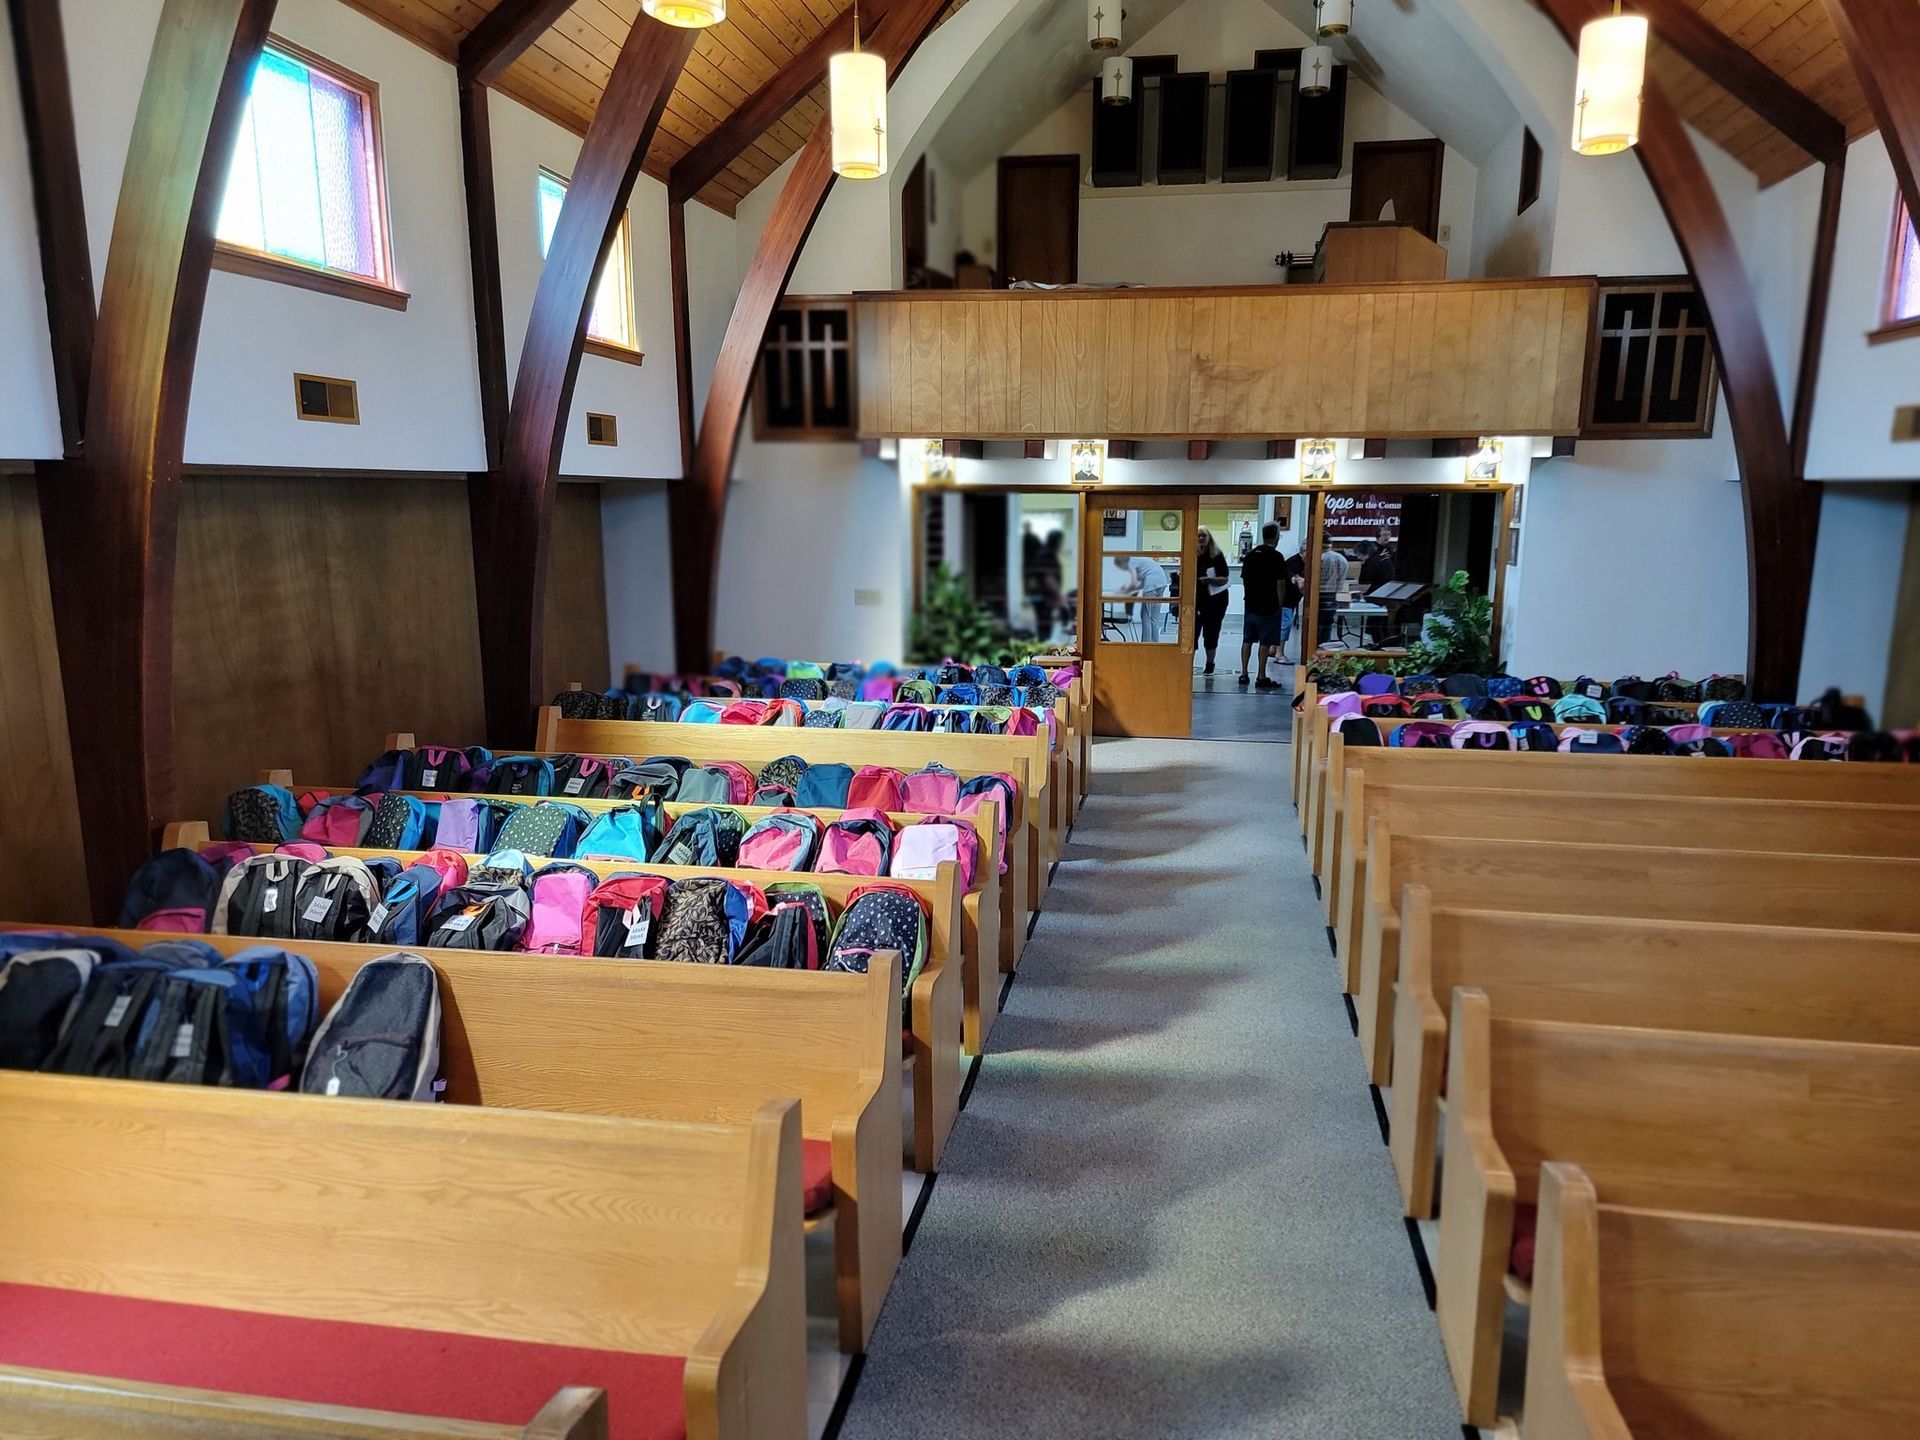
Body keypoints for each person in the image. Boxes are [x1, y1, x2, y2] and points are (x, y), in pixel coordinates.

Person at [1238, 522, 1286, 690]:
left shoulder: (1250, 556)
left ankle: (1243, 674)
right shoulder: (1277, 557)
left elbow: (1244, 579)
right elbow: (1280, 583)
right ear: (1277, 536)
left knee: (1247, 639)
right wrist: (1280, 604)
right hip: (1269, 605)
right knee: (1265, 642)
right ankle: (1261, 675)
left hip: (1250, 604)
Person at [1193, 527, 1231, 674]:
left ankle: (1210, 663)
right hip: (1196, 600)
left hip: (1216, 601)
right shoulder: (1192, 554)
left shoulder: (1217, 555)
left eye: (1204, 536)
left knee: (1211, 633)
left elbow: (1225, 578)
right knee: (1193, 633)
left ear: (1209, 538)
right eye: (1198, 536)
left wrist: (1210, 580)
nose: (1201, 539)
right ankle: (1189, 662)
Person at [1114, 552, 1171, 641]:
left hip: (1152, 585)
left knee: (1146, 616)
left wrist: (1123, 591)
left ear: (1122, 563)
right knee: (1154, 618)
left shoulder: (1131, 562)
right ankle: (1156, 643)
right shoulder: (1140, 562)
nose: (1124, 569)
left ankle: (1145, 643)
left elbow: (1133, 582)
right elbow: (1140, 584)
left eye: (1121, 568)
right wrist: (1128, 590)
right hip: (1161, 582)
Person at [1027, 531, 1064, 642]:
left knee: (1043, 623)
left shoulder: (1043, 553)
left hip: (1040, 595)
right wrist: (1058, 596)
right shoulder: (1048, 555)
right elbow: (1049, 578)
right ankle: (1043, 650)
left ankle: (1042, 646)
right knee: (1045, 624)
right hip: (1044, 596)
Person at [1318, 544, 1350, 645]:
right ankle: (1324, 646)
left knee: (1318, 626)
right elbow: (1341, 581)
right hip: (1333, 594)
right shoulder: (1341, 558)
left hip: (1320, 594)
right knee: (1326, 625)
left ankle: (1318, 648)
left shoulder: (1320, 558)